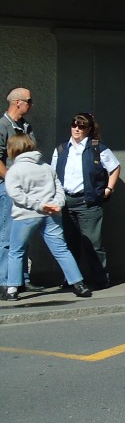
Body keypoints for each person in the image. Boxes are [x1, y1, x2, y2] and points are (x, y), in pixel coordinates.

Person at [3, 133, 90, 301]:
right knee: (61, 250)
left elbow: (16, 194)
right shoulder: (46, 167)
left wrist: (39, 206)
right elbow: (59, 189)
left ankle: (12, 289)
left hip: (25, 215)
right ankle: (79, 284)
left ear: (12, 149)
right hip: (51, 214)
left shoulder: (14, 170)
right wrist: (56, 204)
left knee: (16, 251)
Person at [50, 112, 120, 289]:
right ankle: (72, 280)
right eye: (74, 125)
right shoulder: (61, 149)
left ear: (89, 129)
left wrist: (109, 189)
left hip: (88, 202)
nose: (77, 129)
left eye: (81, 126)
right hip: (66, 202)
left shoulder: (97, 148)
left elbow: (115, 167)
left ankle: (100, 279)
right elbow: (52, 173)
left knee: (93, 244)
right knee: (69, 244)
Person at [0, 87, 37, 288]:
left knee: (22, 235)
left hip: (27, 188)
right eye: (29, 101)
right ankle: (5, 281)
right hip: (9, 189)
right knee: (7, 236)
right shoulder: (3, 126)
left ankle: (22, 279)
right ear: (17, 102)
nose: (31, 104)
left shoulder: (25, 126)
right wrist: (11, 180)